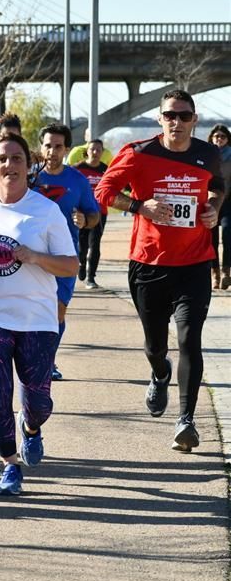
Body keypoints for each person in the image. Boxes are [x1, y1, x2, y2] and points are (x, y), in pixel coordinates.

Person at [95, 90, 224, 452]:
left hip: (195, 262)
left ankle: (186, 421)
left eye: (184, 116)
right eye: (171, 115)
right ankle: (159, 371)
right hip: (149, 264)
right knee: (155, 345)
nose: (177, 122)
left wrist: (213, 208)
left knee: (189, 340)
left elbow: (217, 186)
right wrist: (140, 206)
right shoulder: (139, 153)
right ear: (160, 118)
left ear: (194, 119)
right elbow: (103, 192)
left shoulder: (207, 153)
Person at [0, 132, 78, 495]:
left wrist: (35, 256)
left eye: (17, 158)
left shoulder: (46, 211)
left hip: (37, 317)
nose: (10, 165)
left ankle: (32, 428)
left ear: (28, 165)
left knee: (38, 401)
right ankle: (9, 464)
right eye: (2, 159)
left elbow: (70, 265)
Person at [33, 123, 101, 381]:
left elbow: (94, 215)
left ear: (67, 149)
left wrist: (85, 220)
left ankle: (48, 360)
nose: (52, 151)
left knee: (58, 311)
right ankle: (31, 358)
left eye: (58, 146)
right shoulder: (30, 177)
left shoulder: (77, 180)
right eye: (48, 145)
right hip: (30, 255)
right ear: (41, 147)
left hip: (64, 256)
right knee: (32, 310)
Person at [75, 139, 110, 289]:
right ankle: (81, 264)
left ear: (102, 152)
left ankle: (91, 278)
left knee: (95, 245)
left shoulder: (106, 170)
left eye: (98, 150)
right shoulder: (78, 169)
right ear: (87, 151)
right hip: (81, 213)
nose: (95, 152)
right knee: (82, 246)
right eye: (92, 149)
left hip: (100, 212)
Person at [207, 124, 231, 289]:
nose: (219, 139)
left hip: (229, 203)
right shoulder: (206, 156)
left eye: (222, 136)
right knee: (211, 240)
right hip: (210, 203)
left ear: (228, 139)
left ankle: (226, 273)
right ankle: (214, 273)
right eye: (216, 136)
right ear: (211, 138)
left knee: (228, 236)